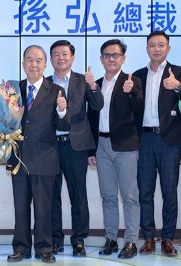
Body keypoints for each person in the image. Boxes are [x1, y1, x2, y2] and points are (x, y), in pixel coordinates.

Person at [7, 45, 69, 264]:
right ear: (23, 63)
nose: (34, 64)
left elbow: (64, 125)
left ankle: (44, 248)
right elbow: (8, 121)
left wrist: (62, 111)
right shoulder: (13, 90)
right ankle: (20, 248)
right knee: (20, 206)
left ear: (45, 64)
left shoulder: (56, 91)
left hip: (44, 158)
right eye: (30, 60)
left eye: (38, 60)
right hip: (19, 157)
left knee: (44, 208)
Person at [132, 31, 181, 256]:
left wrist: (177, 85)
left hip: (170, 141)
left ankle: (167, 238)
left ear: (168, 48)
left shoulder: (179, 72)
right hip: (145, 139)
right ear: (147, 48)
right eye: (152, 45)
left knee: (169, 192)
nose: (156, 49)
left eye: (161, 45)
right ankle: (148, 238)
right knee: (145, 193)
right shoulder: (138, 75)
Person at [88, 39, 144, 260]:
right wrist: (91, 150)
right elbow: (91, 117)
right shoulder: (96, 84)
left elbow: (139, 108)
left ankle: (131, 241)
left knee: (130, 196)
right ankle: (111, 238)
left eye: (116, 55)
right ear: (101, 59)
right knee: (108, 196)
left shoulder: (132, 81)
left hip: (125, 146)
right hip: (102, 146)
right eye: (107, 55)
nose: (111, 59)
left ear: (123, 58)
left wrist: (131, 92)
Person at [47, 40, 103, 257]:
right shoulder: (45, 83)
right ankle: (55, 239)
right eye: (56, 54)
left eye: (65, 54)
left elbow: (97, 105)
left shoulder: (82, 81)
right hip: (50, 146)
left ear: (72, 58)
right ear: (51, 59)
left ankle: (79, 240)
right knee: (52, 195)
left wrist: (93, 86)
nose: (61, 58)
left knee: (78, 194)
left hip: (76, 146)